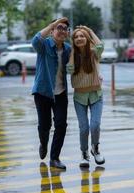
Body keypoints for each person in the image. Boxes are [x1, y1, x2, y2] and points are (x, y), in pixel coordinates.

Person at [31, 17, 71, 170]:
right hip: (43, 92)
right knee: (45, 125)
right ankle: (43, 143)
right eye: (58, 28)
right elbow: (35, 40)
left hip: (60, 93)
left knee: (61, 124)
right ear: (52, 31)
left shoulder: (68, 49)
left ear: (67, 33)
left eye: (64, 28)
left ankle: (54, 158)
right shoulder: (44, 45)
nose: (61, 31)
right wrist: (53, 23)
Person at [67, 25, 105, 168]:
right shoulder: (72, 55)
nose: (79, 38)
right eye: (76, 37)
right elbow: (69, 69)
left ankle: (95, 149)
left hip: (96, 94)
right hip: (79, 97)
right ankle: (84, 154)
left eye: (82, 36)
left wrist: (89, 30)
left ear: (87, 38)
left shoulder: (94, 53)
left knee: (95, 125)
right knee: (84, 128)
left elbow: (100, 45)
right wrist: (72, 50)